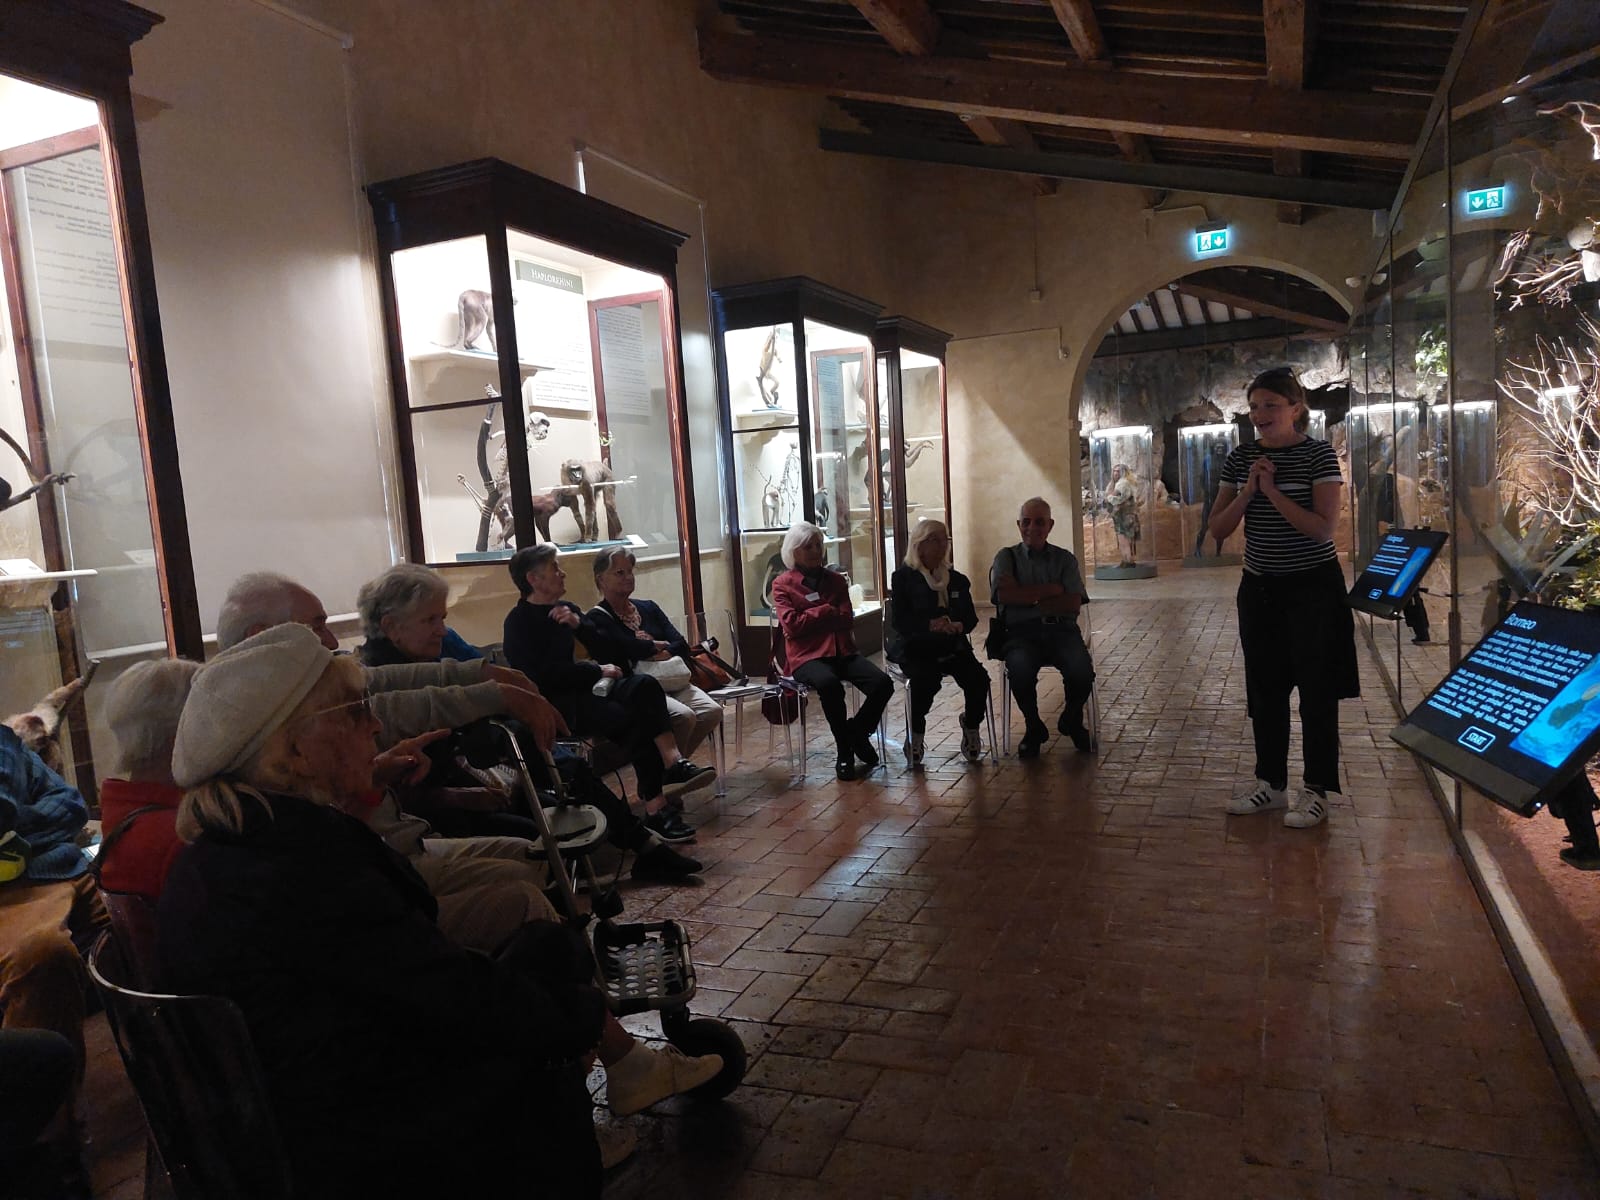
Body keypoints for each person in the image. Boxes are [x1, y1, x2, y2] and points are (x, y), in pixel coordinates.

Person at [158, 625, 722, 1197]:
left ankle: (612, 1070)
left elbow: (408, 970)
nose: (374, 726)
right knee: (547, 1004)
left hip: (308, 1093)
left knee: (548, 947)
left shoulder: (234, 845)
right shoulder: (301, 869)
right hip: (355, 1129)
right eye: (355, 712)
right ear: (295, 751)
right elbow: (446, 992)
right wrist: (579, 1016)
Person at [226, 569, 701, 880]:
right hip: (428, 813)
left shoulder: (389, 665)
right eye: (430, 620)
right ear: (391, 627)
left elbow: (448, 678)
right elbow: (411, 708)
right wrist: (494, 702)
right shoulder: (322, 697)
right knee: (534, 837)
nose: (331, 640)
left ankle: (643, 839)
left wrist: (496, 683)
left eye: (442, 618)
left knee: (579, 756)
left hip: (475, 779)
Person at [1210, 366, 1359, 829]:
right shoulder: (1240, 458)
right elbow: (1217, 529)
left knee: (1317, 691)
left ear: (1295, 408)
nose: (1260, 414)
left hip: (1313, 588)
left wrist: (1272, 491)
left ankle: (1316, 789)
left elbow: (1322, 529)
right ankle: (1270, 784)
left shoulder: (1319, 455)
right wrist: (1248, 491)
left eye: (1270, 405)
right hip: (1260, 588)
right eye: (1254, 407)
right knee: (1265, 690)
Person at [502, 545, 714, 841]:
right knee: (633, 719)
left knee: (644, 686)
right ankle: (656, 808)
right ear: (533, 579)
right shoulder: (519, 622)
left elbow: (608, 648)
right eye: (554, 568)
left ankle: (673, 761)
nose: (562, 573)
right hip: (558, 704)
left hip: (587, 690)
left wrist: (580, 626)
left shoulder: (568, 609)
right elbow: (541, 677)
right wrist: (595, 671)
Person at [0, 722, 107, 1199]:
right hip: (23, 893)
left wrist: (13, 831)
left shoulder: (8, 744)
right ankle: (45, 1154)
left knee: (124, 912)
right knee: (46, 955)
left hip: (47, 881)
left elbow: (71, 805)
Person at [770, 522, 893, 781]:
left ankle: (856, 732)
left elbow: (846, 618)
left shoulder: (836, 580)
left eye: (818, 545)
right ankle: (844, 751)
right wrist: (825, 611)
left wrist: (811, 616)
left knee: (882, 683)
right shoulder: (782, 584)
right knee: (829, 685)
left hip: (842, 651)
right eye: (808, 547)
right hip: (807, 656)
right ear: (794, 551)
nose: (816, 551)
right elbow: (792, 625)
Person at [587, 547, 723, 758]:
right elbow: (622, 650)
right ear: (601, 580)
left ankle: (674, 764)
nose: (628, 577)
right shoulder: (598, 617)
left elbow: (680, 643)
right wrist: (651, 647)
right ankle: (672, 766)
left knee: (711, 711)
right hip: (640, 685)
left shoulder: (648, 607)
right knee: (684, 716)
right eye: (620, 573)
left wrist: (659, 651)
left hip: (671, 677)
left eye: (630, 571)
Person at [990, 498, 1096, 758]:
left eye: (1039, 522)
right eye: (1026, 522)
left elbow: (1072, 603)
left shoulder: (1065, 559)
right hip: (1021, 634)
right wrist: (1052, 591)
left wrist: (1025, 597)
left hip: (1062, 631)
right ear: (1018, 524)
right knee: (1020, 670)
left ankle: (1072, 718)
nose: (1032, 528)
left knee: (1082, 671)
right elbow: (1004, 595)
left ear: (1050, 525)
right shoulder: (1006, 557)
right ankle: (1033, 726)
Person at [888, 518, 988, 767]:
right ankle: (916, 732)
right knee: (925, 681)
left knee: (978, 680)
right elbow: (900, 621)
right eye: (934, 539)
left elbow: (970, 618)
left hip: (951, 645)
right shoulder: (903, 578)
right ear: (919, 545)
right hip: (917, 647)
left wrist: (958, 625)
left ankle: (971, 724)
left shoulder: (957, 579)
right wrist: (930, 625)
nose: (942, 545)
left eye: (944, 539)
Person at [1105, 463, 1141, 567]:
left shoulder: (1123, 483)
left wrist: (1109, 498)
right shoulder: (1120, 483)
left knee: (1124, 539)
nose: (1115, 473)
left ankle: (1128, 560)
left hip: (1126, 516)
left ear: (1123, 472)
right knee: (1123, 538)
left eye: (1118, 471)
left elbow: (1115, 497)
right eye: (1114, 471)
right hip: (1122, 515)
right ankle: (1126, 560)